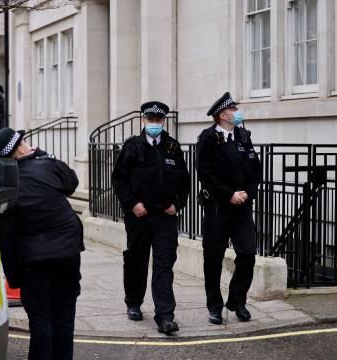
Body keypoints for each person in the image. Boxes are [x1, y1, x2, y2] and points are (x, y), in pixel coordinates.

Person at [0, 127, 83, 360]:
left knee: (41, 320)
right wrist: (44, 155)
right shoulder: (46, 165)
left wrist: (13, 277)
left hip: (34, 260)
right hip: (66, 253)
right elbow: (72, 182)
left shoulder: (3, 185)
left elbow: (5, 237)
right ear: (18, 149)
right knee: (65, 316)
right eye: (25, 142)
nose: (30, 145)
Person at [112, 101, 190, 335]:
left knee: (164, 264)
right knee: (137, 260)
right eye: (150, 120)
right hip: (139, 216)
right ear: (143, 120)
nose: (154, 124)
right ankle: (134, 302)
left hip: (165, 217)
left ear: (163, 121)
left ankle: (165, 316)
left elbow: (184, 182)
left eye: (158, 120)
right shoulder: (132, 146)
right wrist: (132, 204)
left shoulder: (172, 147)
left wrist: (177, 204)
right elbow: (119, 180)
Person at [196, 92, 262, 325]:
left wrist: (247, 194)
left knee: (247, 254)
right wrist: (228, 194)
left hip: (242, 208)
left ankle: (237, 301)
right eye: (234, 109)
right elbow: (205, 173)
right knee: (213, 259)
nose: (237, 112)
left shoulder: (244, 136)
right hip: (218, 209)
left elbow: (255, 169)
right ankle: (214, 306)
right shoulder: (207, 139)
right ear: (223, 114)